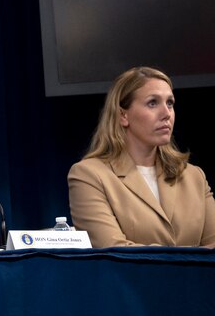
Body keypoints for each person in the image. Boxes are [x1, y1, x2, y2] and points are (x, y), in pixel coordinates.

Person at [68, 66, 215, 247]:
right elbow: (115, 252)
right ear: (123, 115)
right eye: (152, 103)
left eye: (170, 103)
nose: (166, 114)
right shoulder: (88, 175)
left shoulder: (194, 177)